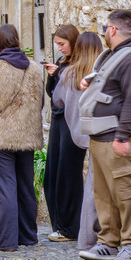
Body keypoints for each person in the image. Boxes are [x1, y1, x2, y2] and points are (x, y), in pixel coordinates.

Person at [78, 8, 131, 260]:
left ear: (112, 29)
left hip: (118, 137)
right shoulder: (114, 56)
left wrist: (123, 135)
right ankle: (108, 242)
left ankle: (130, 245)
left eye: (105, 28)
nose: (104, 33)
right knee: (104, 193)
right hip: (100, 135)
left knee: (124, 191)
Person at [0, 22, 45, 251]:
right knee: (24, 186)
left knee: (3, 187)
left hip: (0, 136)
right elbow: (40, 103)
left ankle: (6, 240)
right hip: (27, 135)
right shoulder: (34, 68)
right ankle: (28, 235)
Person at [60, 27, 103, 252]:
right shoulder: (101, 73)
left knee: (76, 181)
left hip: (75, 131)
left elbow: (58, 99)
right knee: (96, 185)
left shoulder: (70, 73)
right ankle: (91, 237)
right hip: (100, 133)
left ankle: (83, 235)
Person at [42, 23, 86, 240]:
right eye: (57, 44)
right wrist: (53, 75)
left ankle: (70, 227)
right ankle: (59, 224)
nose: (59, 48)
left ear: (73, 42)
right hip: (58, 119)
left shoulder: (80, 64)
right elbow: (53, 93)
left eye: (62, 44)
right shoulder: (62, 62)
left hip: (72, 121)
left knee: (68, 173)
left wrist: (60, 73)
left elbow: (74, 88)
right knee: (53, 173)